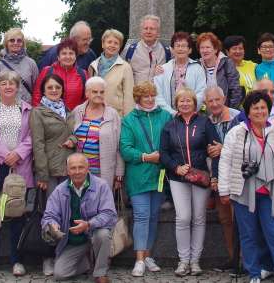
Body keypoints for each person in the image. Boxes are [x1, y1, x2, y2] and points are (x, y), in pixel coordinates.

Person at [218, 90, 274, 283]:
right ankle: (254, 273)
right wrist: (224, 189)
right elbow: (225, 161)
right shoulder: (237, 133)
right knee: (248, 235)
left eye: (263, 107)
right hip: (243, 191)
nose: (260, 111)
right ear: (248, 111)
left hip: (270, 192)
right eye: (255, 108)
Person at [0, 69, 35, 275]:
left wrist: (17, 154)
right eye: (4, 83)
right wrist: (5, 155)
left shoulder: (27, 109)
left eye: (12, 83)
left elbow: (32, 136)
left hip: (19, 167)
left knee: (17, 214)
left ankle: (17, 260)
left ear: (18, 87)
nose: (8, 87)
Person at [160, 86, 214, 275]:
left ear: (194, 103)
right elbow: (163, 153)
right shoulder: (169, 125)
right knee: (183, 217)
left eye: (188, 100)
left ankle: (195, 261)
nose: (185, 103)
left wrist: (214, 174)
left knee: (198, 217)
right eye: (181, 100)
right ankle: (183, 261)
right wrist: (176, 167)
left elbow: (214, 148)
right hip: (178, 177)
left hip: (200, 176)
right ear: (176, 104)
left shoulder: (205, 122)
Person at [120, 81, 172, 277]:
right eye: (145, 96)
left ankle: (148, 256)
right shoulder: (129, 120)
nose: (150, 99)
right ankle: (139, 259)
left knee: (153, 216)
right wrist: (145, 157)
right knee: (141, 216)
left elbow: (171, 142)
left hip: (159, 175)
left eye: (152, 95)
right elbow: (125, 149)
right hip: (138, 176)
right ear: (138, 99)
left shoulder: (165, 116)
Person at [43, 153, 119, 283]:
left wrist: (89, 224)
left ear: (87, 168)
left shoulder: (101, 186)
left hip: (94, 233)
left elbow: (109, 214)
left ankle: (100, 273)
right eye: (73, 168)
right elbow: (49, 215)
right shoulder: (59, 190)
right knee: (60, 274)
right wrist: (52, 224)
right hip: (73, 240)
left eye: (81, 167)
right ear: (67, 171)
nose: (77, 171)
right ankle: (87, 262)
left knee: (103, 234)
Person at [31, 73, 77, 276]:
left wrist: (73, 140)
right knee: (50, 214)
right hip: (49, 172)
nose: (54, 90)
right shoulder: (38, 112)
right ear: (43, 90)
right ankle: (47, 256)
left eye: (57, 87)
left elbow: (75, 133)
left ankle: (62, 254)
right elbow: (38, 144)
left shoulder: (68, 111)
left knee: (67, 214)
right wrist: (42, 174)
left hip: (67, 171)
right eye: (50, 87)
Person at [203, 86, 240, 271]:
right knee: (225, 219)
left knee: (239, 220)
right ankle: (233, 259)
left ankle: (245, 260)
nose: (214, 104)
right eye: (210, 101)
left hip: (238, 177)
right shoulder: (207, 121)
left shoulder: (237, 117)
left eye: (217, 99)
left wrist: (223, 148)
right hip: (218, 177)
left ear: (224, 99)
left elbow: (244, 145)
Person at [70, 77, 125, 191]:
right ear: (87, 93)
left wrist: (119, 171)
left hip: (103, 171)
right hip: (79, 172)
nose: (99, 95)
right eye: (95, 92)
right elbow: (70, 135)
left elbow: (120, 144)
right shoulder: (77, 111)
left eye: (102, 92)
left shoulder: (112, 114)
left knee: (102, 199)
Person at [154, 31, 207, 114]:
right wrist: (172, 113)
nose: (180, 49)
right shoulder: (163, 69)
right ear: (172, 49)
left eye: (184, 46)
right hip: (168, 115)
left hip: (191, 115)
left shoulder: (197, 68)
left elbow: (201, 92)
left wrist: (189, 110)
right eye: (177, 46)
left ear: (190, 50)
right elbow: (158, 95)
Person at [88, 28, 135, 116]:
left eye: (116, 43)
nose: (112, 45)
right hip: (95, 115)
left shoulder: (125, 67)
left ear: (120, 47)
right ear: (103, 44)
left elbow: (129, 97)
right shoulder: (93, 66)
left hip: (116, 116)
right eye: (109, 42)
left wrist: (127, 120)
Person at [34, 39, 87, 111]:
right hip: (49, 116)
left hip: (74, 116)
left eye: (71, 53)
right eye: (64, 53)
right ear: (58, 57)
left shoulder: (83, 74)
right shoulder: (47, 71)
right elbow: (37, 95)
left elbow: (86, 98)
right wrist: (37, 113)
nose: (68, 57)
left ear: (75, 56)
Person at [0, 27, 40, 101]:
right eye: (12, 40)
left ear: (23, 43)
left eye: (19, 40)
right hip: (3, 107)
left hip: (27, 106)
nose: (16, 43)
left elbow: (37, 89)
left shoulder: (31, 63)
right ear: (6, 43)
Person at [198, 31, 242, 109]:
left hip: (225, 110)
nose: (205, 50)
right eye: (202, 48)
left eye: (208, 47)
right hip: (203, 111)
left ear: (215, 49)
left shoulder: (227, 63)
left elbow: (236, 90)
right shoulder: (197, 65)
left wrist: (230, 110)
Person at [125, 14, 172, 84]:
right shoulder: (129, 50)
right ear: (141, 31)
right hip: (135, 90)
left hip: (159, 90)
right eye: (145, 28)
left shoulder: (168, 52)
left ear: (158, 32)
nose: (148, 31)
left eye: (152, 29)